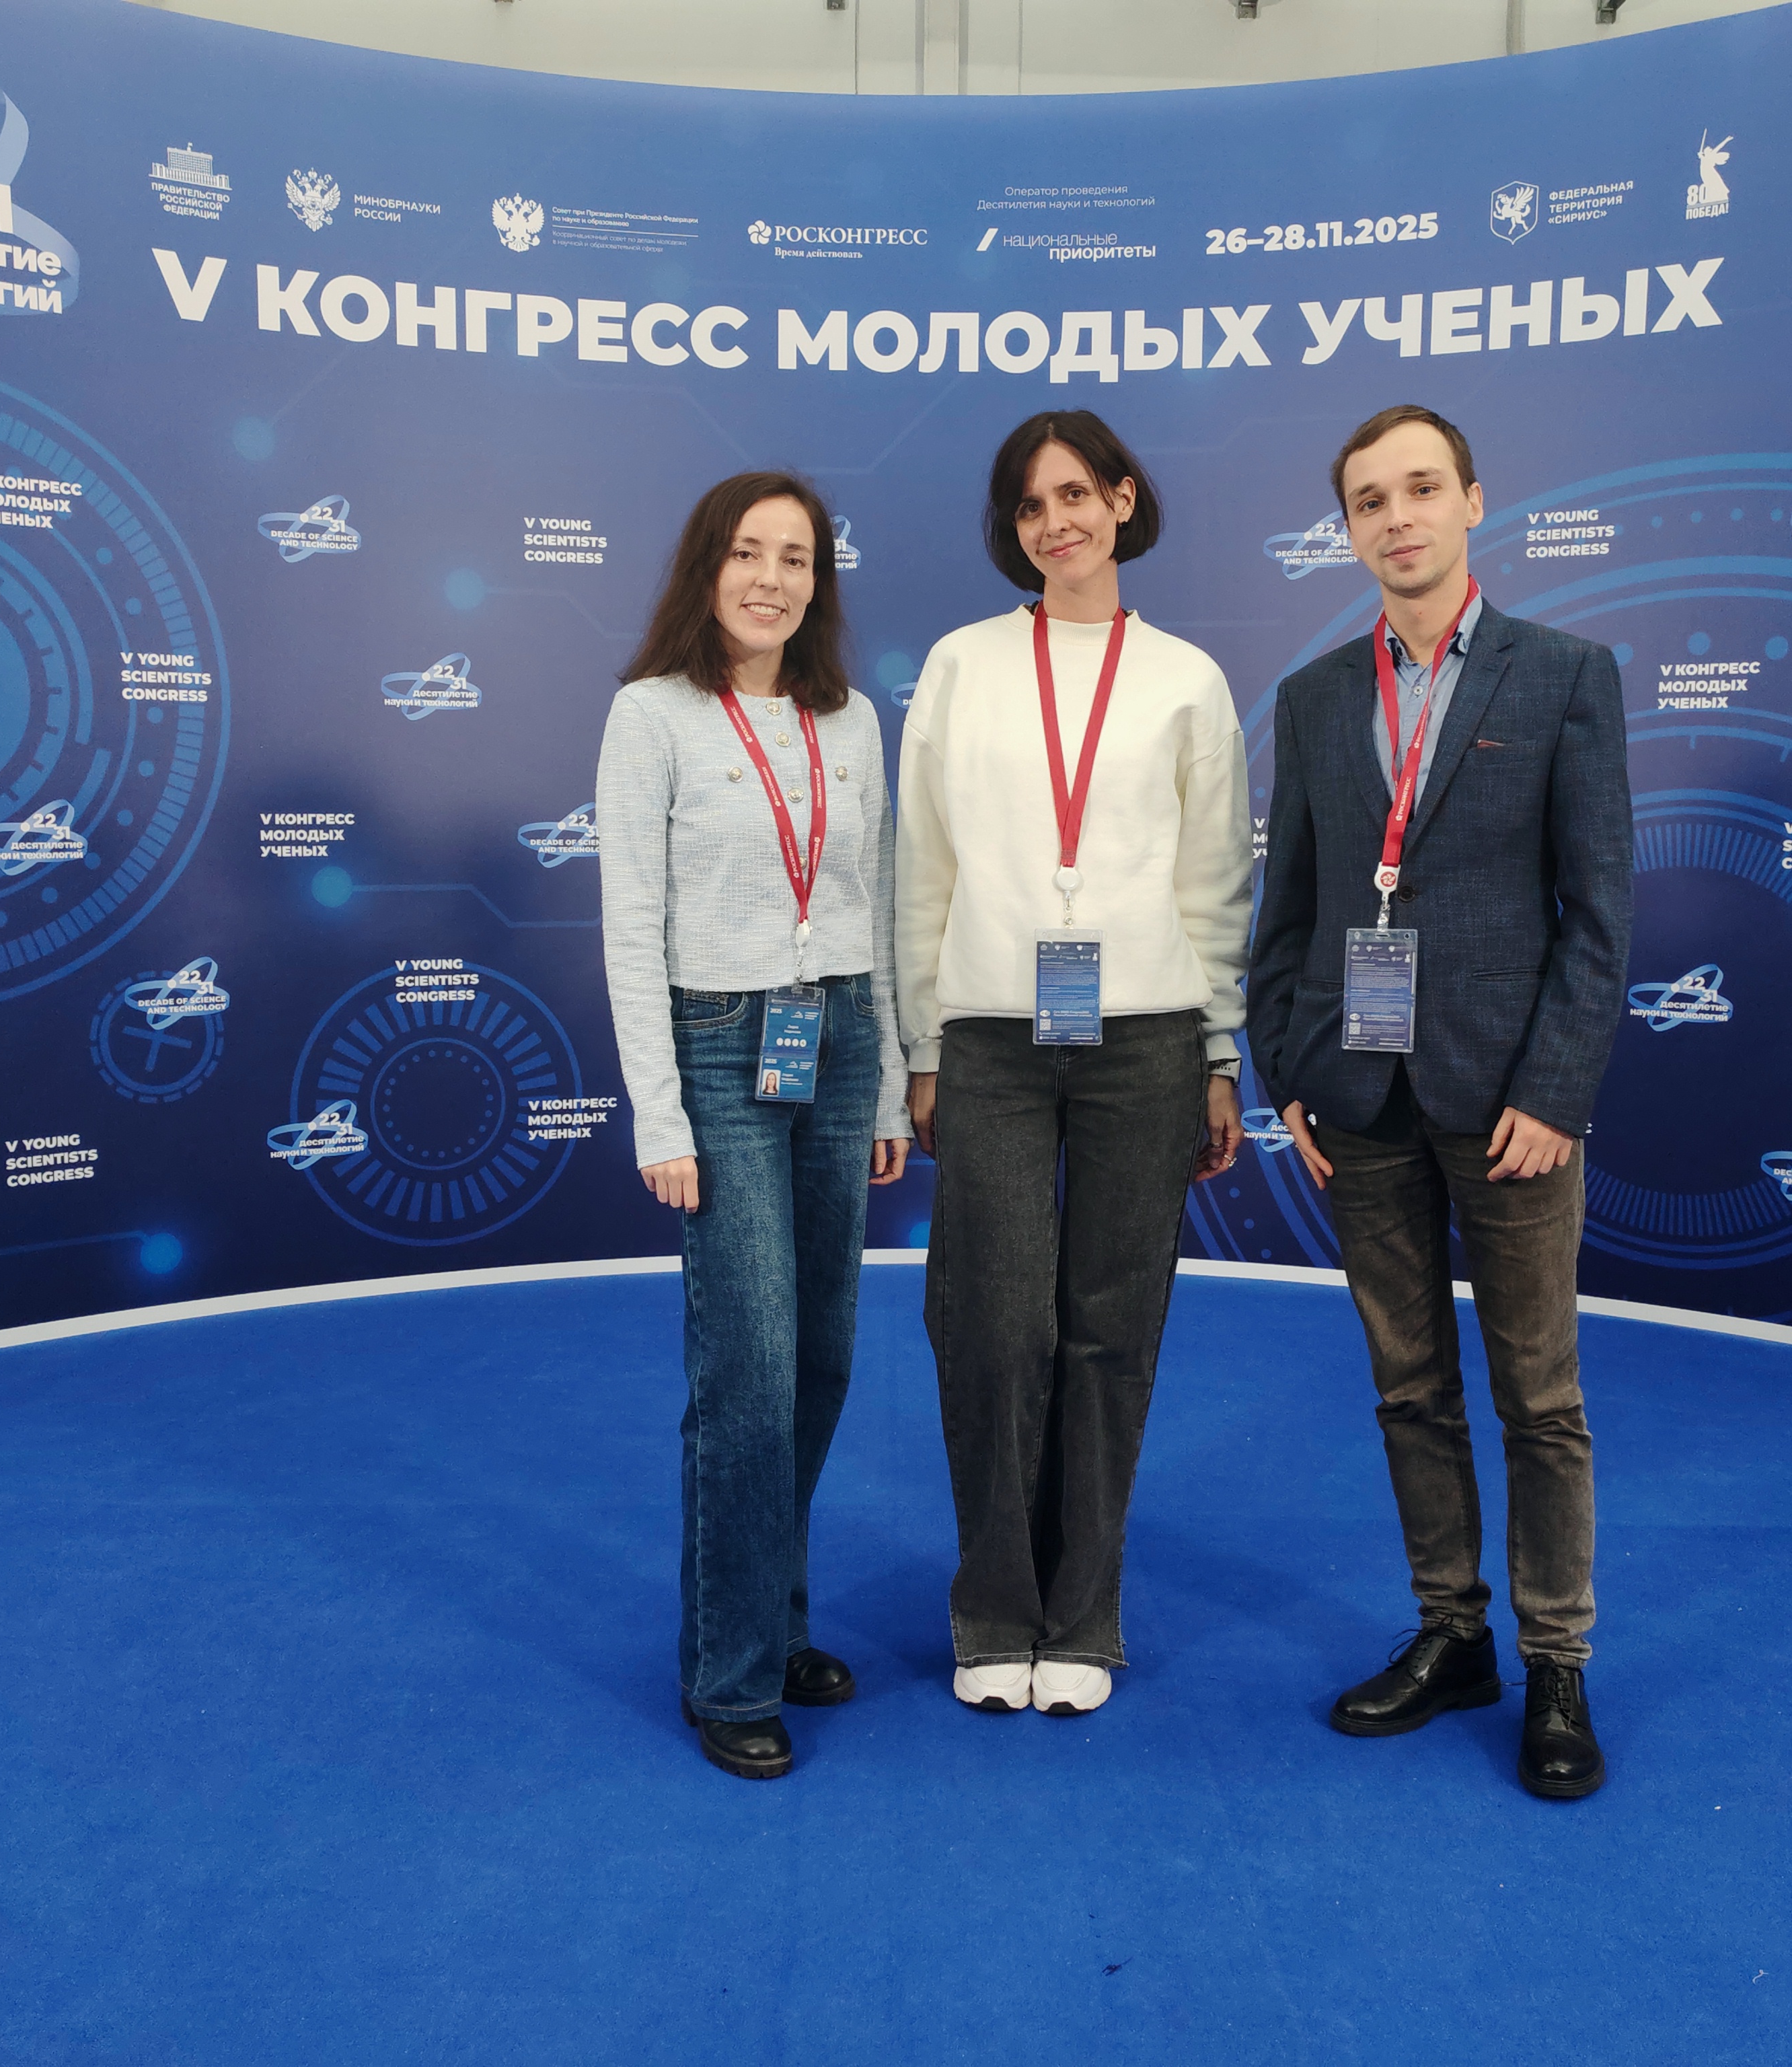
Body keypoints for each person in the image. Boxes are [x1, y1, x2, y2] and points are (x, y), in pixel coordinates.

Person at [1245, 404, 1632, 1799]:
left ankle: (1556, 1666)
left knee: (1538, 1398)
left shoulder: (1564, 675)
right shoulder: (1311, 698)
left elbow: (1599, 912)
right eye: (1369, 500)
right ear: (1347, 528)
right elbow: (1288, 909)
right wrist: (1292, 1069)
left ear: (1472, 500)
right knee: (1407, 1388)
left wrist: (1557, 1091)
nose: (1396, 517)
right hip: (1360, 1100)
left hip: (1511, 1104)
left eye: (1420, 489)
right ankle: (1451, 1635)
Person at [897, 410, 1254, 1720]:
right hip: (990, 1037)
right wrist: (920, 1046)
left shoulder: (1186, 680)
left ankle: (1083, 1612)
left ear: (1121, 499)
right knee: (992, 1326)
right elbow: (921, 867)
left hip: (1146, 1039)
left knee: (1111, 1330)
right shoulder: (960, 664)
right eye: (1028, 506)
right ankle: (996, 1607)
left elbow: (1213, 885)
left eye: (1074, 496)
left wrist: (1217, 1052)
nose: (1055, 523)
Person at [595, 472, 913, 1781]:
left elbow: (874, 907)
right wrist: (658, 1116)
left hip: (837, 1043)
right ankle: (728, 1675)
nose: (771, 579)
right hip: (718, 1049)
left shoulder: (851, 719)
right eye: (747, 553)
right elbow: (629, 926)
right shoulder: (650, 714)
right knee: (750, 1372)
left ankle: (776, 1625)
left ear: (817, 583)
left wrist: (885, 1084)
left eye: (795, 558)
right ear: (706, 567)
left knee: (822, 1358)